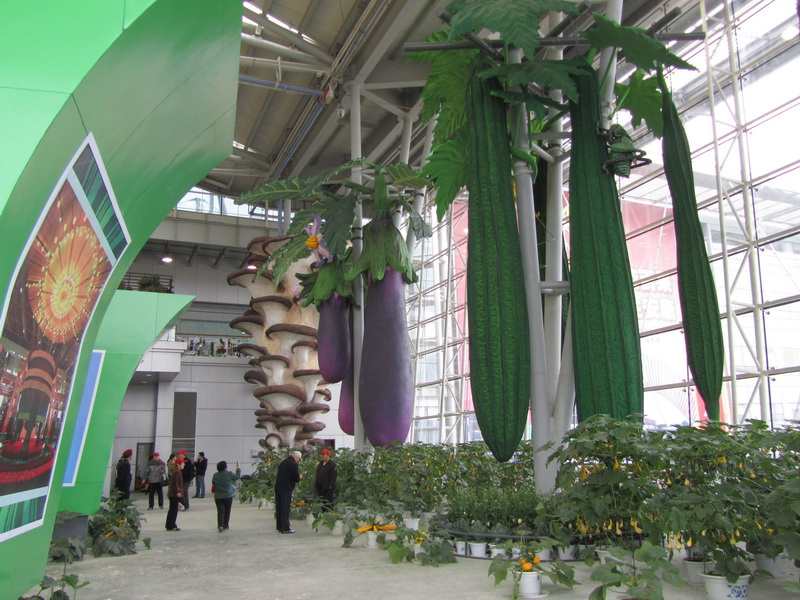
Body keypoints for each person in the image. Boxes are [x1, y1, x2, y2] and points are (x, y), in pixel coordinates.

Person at [274, 451, 302, 534]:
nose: (299, 461)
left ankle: (280, 527)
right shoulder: (293, 464)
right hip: (286, 489)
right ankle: (286, 528)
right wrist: (300, 477)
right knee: (285, 508)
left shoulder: (283, 462)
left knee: (279, 507)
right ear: (296, 457)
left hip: (278, 487)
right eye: (299, 459)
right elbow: (296, 478)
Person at [211, 460, 240, 532]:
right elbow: (237, 477)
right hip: (228, 496)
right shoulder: (229, 474)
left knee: (220, 511)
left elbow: (213, 483)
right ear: (225, 467)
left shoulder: (215, 475)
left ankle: (220, 525)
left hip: (218, 496)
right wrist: (238, 469)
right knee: (227, 511)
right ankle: (225, 525)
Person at [165, 455, 185, 531]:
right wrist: (178, 492)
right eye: (183, 463)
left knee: (172, 510)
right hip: (174, 494)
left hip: (172, 494)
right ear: (179, 464)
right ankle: (172, 525)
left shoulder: (175, 471)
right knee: (174, 510)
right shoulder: (177, 472)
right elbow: (176, 483)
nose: (184, 465)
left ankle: (169, 525)